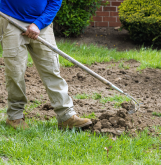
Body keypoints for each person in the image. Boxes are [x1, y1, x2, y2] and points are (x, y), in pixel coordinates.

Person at [0, 0, 92, 129]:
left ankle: (66, 116)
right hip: (11, 20)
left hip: (41, 23)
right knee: (15, 72)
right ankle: (15, 117)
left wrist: (39, 23)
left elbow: (55, 1)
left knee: (51, 69)